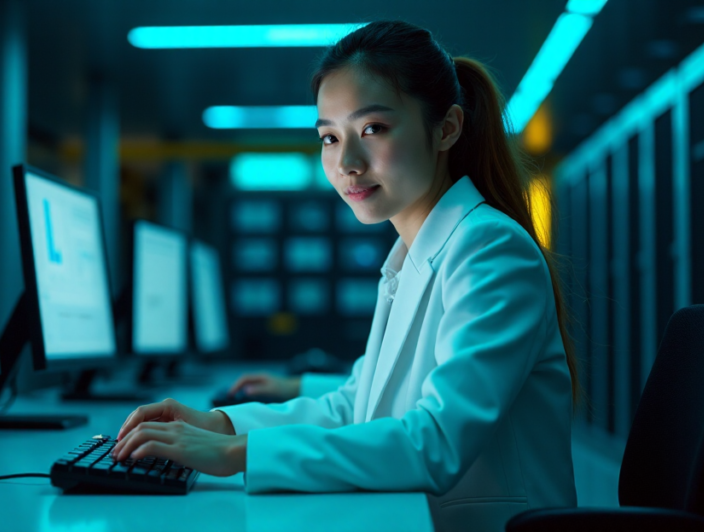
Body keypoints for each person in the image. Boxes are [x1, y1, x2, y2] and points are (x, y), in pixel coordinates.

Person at [114, 20, 579, 532]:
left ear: (446, 127)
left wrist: (238, 453)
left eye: (373, 128)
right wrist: (220, 423)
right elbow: (358, 404)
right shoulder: (415, 251)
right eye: (330, 137)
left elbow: (436, 443)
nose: (347, 162)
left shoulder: (490, 250)